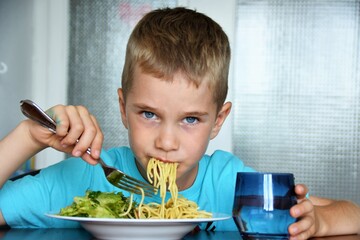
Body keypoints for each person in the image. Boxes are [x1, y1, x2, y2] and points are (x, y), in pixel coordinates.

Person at [0, 7, 358, 239]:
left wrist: (319, 223)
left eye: (190, 119)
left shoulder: (230, 184)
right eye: (149, 114)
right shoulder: (88, 176)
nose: (167, 142)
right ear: (123, 107)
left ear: (218, 121)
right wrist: (29, 136)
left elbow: (351, 214)